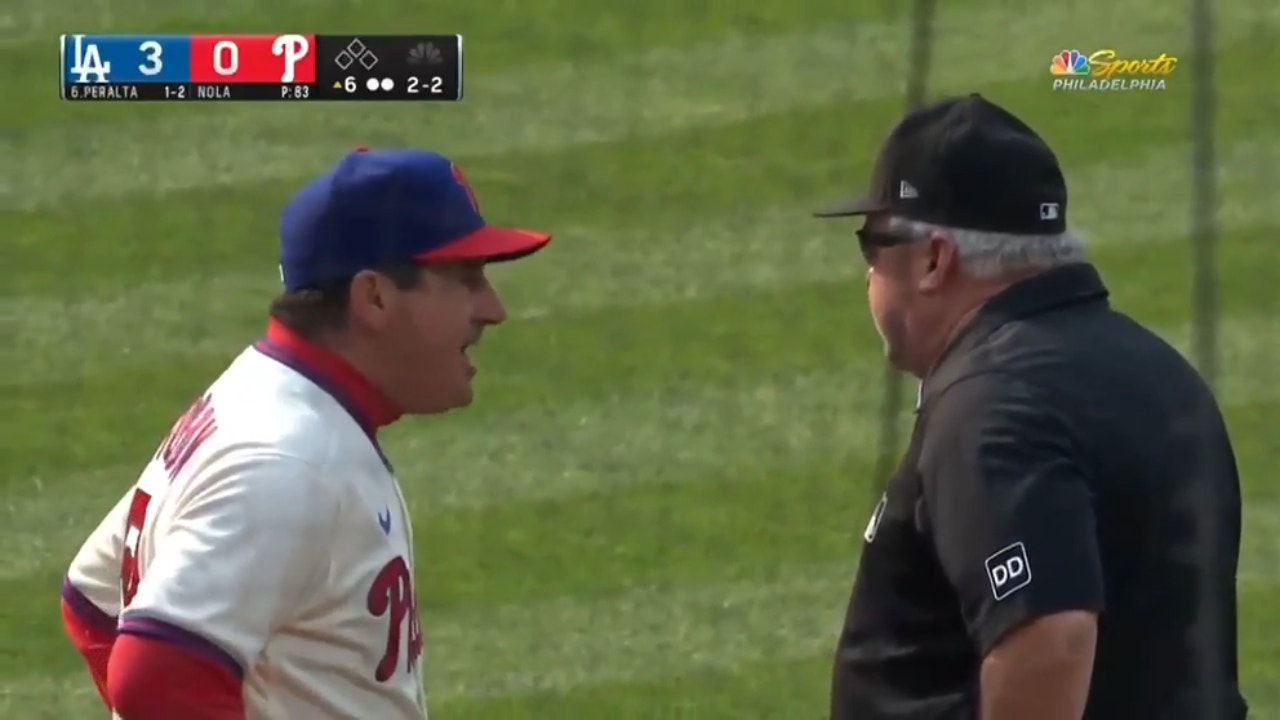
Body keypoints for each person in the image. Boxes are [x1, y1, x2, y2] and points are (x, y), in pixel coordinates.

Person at [60, 148, 552, 720]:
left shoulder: (270, 401)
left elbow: (92, 600)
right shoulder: (286, 461)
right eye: (466, 279)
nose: (492, 309)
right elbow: (155, 681)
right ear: (375, 297)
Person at [815, 94, 1247, 719]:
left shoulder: (991, 406)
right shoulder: (1157, 371)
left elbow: (1050, 633)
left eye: (872, 244)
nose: (868, 275)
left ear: (934, 259)